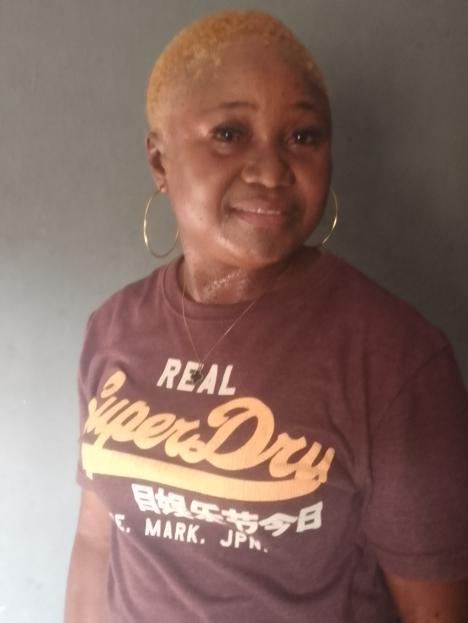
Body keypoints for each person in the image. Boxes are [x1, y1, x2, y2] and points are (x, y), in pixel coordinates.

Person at [64, 9, 468, 623]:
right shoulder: (112, 328)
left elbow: (434, 608)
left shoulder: (395, 358)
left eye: (302, 137)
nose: (272, 170)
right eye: (230, 133)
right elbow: (97, 539)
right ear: (159, 160)